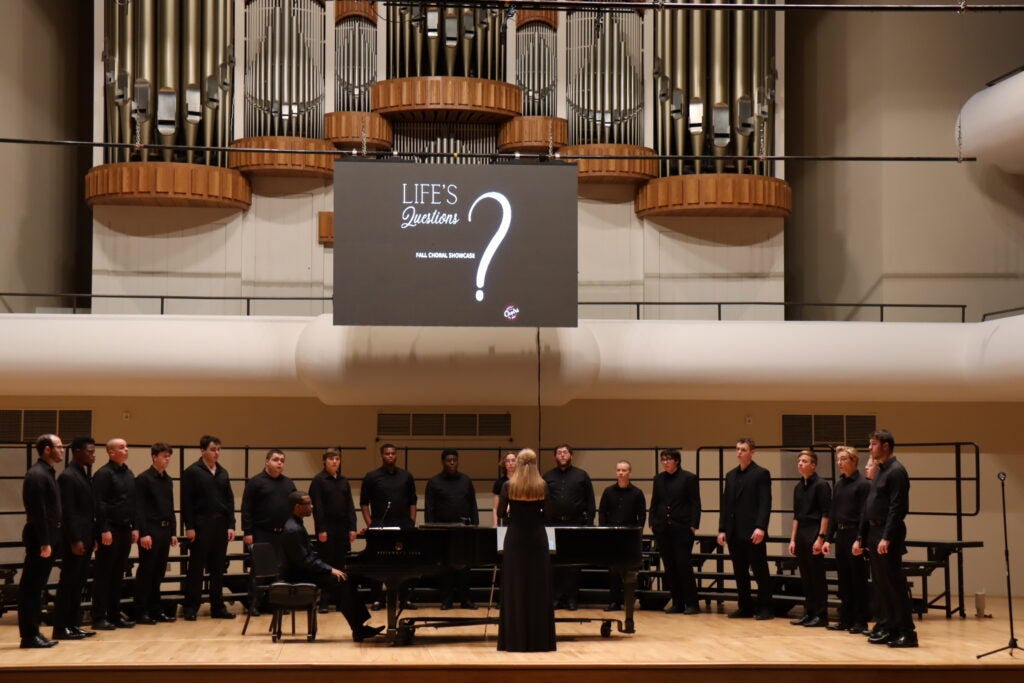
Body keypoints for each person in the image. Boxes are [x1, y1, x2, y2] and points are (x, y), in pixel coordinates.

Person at [279, 491, 385, 643]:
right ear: (297, 507)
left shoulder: (296, 524)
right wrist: (329, 569)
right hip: (296, 574)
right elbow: (304, 561)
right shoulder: (293, 529)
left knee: (346, 578)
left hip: (303, 570)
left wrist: (329, 567)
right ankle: (359, 629)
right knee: (340, 580)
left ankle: (359, 627)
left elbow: (308, 557)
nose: (312, 506)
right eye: (308, 503)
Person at [854, 429, 918, 648]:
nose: (870, 448)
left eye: (873, 444)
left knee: (894, 585)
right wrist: (863, 537)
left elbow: (897, 507)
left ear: (886, 446)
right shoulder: (881, 471)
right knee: (882, 585)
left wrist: (886, 537)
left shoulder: (897, 471)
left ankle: (907, 632)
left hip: (886, 534)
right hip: (874, 532)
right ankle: (890, 627)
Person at [497, 448, 556, 652]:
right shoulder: (542, 486)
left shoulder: (508, 486)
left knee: (515, 586)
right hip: (537, 539)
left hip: (515, 539)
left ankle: (514, 640)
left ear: (518, 463)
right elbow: (549, 515)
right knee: (538, 587)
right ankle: (540, 641)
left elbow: (500, 512)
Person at [181, 435, 237, 621]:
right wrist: (189, 526)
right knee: (196, 568)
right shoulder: (192, 472)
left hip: (220, 525)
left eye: (219, 449)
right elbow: (186, 502)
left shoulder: (223, 473)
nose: (216, 453)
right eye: (213, 449)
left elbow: (229, 501)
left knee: (218, 568)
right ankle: (191, 607)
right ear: (202, 450)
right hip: (201, 524)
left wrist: (231, 525)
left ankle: (217, 607)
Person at [717, 438, 774, 620]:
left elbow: (765, 503)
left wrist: (761, 527)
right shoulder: (730, 475)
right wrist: (722, 529)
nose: (739, 452)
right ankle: (745, 606)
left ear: (752, 452)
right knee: (740, 571)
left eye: (743, 449)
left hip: (752, 531)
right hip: (734, 532)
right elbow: (725, 505)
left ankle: (765, 607)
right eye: (737, 449)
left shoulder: (761, 473)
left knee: (759, 570)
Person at [18, 434, 65, 649]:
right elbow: (39, 513)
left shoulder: (47, 473)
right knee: (31, 588)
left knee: (37, 588)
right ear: (47, 449)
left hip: (47, 537)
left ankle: (34, 632)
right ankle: (29, 635)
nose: (63, 450)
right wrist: (45, 542)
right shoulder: (37, 475)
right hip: (40, 538)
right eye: (59, 446)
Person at [360, 443, 418, 610]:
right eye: (387, 454)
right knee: (378, 563)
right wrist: (370, 524)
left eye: (393, 453)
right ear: (382, 456)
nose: (390, 456)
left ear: (396, 455)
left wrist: (411, 521)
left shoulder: (406, 476)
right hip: (380, 525)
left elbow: (413, 501)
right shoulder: (372, 476)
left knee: (405, 562)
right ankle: (378, 599)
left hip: (403, 526)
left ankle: (405, 599)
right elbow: (364, 503)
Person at [822, 446, 871, 634]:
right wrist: (828, 538)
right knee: (844, 581)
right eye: (838, 459)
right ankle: (846, 619)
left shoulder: (863, 484)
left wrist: (860, 539)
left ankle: (860, 621)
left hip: (854, 535)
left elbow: (863, 515)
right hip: (841, 536)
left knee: (858, 580)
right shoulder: (839, 485)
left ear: (854, 460)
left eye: (843, 459)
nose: (839, 463)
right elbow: (833, 514)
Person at [52, 436, 97, 641]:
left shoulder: (82, 474)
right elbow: (68, 512)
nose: (93, 455)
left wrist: (92, 537)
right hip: (75, 540)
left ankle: (73, 623)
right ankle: (61, 627)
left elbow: (88, 511)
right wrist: (75, 540)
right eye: (89, 451)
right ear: (77, 451)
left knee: (78, 583)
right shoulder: (68, 476)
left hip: (86, 537)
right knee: (68, 583)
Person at [91, 437, 138, 630]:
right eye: (122, 447)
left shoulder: (128, 473)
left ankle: (114, 614)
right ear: (111, 452)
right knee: (104, 575)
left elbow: (133, 502)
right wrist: (104, 529)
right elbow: (99, 503)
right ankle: (99, 616)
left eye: (126, 446)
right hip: (110, 530)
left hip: (125, 529)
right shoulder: (103, 474)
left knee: (118, 575)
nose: (126, 450)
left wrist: (135, 526)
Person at [424, 448, 480, 609]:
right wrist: (431, 529)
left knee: (464, 566)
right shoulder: (434, 482)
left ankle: (465, 598)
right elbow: (430, 508)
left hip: (463, 530)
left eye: (454, 460)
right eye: (449, 460)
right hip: (442, 530)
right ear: (443, 462)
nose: (452, 463)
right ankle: (446, 599)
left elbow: (473, 505)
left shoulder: (466, 480)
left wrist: (475, 525)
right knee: (445, 566)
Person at [649, 449, 701, 615]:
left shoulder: (689, 478)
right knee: (670, 567)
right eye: (663, 459)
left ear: (677, 461)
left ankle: (692, 603)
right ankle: (677, 602)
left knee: (683, 566)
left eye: (668, 459)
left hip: (682, 528)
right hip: (663, 528)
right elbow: (655, 501)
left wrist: (693, 525)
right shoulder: (658, 479)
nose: (665, 462)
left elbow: (695, 503)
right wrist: (652, 522)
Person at [543, 443, 594, 610]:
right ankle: (555, 598)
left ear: (571, 455)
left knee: (573, 563)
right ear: (555, 457)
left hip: (576, 524)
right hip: (552, 525)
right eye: (559, 453)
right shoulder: (547, 476)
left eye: (565, 452)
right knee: (553, 562)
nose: (563, 455)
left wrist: (588, 524)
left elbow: (590, 501)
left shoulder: (582, 475)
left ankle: (572, 598)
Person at [133, 442, 178, 624]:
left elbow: (170, 507)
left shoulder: (168, 480)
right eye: (164, 456)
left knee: (159, 572)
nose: (167, 459)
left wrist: (174, 531)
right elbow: (139, 508)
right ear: (154, 457)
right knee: (147, 571)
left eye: (169, 456)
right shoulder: (143, 479)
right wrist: (143, 532)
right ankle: (141, 611)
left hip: (165, 530)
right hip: (150, 530)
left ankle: (155, 609)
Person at [309, 448, 358, 612]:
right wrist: (321, 529)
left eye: (337, 459)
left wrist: (353, 527)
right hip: (326, 529)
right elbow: (317, 507)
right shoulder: (318, 480)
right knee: (327, 564)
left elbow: (350, 505)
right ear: (324, 461)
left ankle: (340, 601)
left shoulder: (344, 480)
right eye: (331, 459)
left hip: (343, 529)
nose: (334, 461)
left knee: (341, 564)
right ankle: (324, 601)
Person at [788, 450, 831, 628]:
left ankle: (821, 615)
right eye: (799, 461)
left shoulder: (821, 485)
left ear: (813, 465)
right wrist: (792, 540)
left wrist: (821, 537)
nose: (800, 464)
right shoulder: (798, 487)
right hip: (801, 534)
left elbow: (826, 514)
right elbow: (796, 516)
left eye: (804, 461)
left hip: (814, 532)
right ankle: (809, 612)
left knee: (817, 577)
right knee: (806, 576)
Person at [599, 459, 648, 612]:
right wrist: (604, 531)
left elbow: (641, 516)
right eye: (618, 470)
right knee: (613, 571)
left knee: (629, 572)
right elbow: (602, 514)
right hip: (612, 536)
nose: (621, 473)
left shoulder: (637, 493)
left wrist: (637, 533)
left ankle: (629, 602)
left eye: (624, 470)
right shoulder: (608, 492)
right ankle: (614, 602)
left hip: (629, 538)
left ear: (629, 473)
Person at [241, 449, 296, 547]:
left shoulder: (289, 483)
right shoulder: (255, 482)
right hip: (261, 533)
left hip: (284, 533)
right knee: (264, 562)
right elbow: (246, 508)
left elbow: (294, 508)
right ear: (267, 462)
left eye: (282, 461)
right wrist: (247, 532)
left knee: (283, 562)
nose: (279, 463)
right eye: (275, 460)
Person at [492, 451, 517, 527]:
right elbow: (495, 508)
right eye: (507, 461)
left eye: (513, 460)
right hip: (505, 520)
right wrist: (495, 525)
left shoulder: (523, 482)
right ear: (504, 464)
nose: (510, 463)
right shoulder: (499, 483)